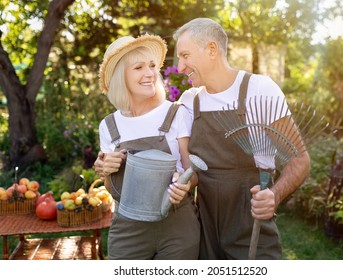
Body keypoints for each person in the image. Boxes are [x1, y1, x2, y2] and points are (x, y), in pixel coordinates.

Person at [173, 18, 311, 260]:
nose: (181, 67)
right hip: (205, 231)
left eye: (185, 56)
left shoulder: (259, 90)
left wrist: (275, 196)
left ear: (212, 50)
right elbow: (190, 171)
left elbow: (300, 160)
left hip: (251, 225)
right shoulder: (189, 101)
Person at [96, 34, 200, 260]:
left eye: (152, 65)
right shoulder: (109, 126)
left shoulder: (175, 113)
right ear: (119, 77)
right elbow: (111, 187)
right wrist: (106, 170)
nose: (150, 73)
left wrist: (185, 184)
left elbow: (192, 170)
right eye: (139, 67)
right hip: (128, 229)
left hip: (177, 225)